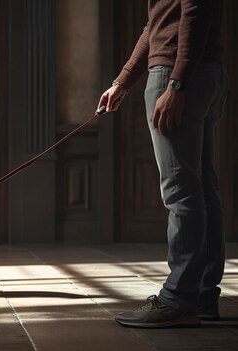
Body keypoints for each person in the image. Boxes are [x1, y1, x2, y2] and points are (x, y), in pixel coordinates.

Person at [98, 0, 229, 328]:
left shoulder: (179, 77)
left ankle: (178, 297)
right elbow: (156, 26)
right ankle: (201, 293)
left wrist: (177, 83)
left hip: (179, 73)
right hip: (203, 72)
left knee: (181, 190)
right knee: (201, 188)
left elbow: (194, 13)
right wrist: (123, 81)